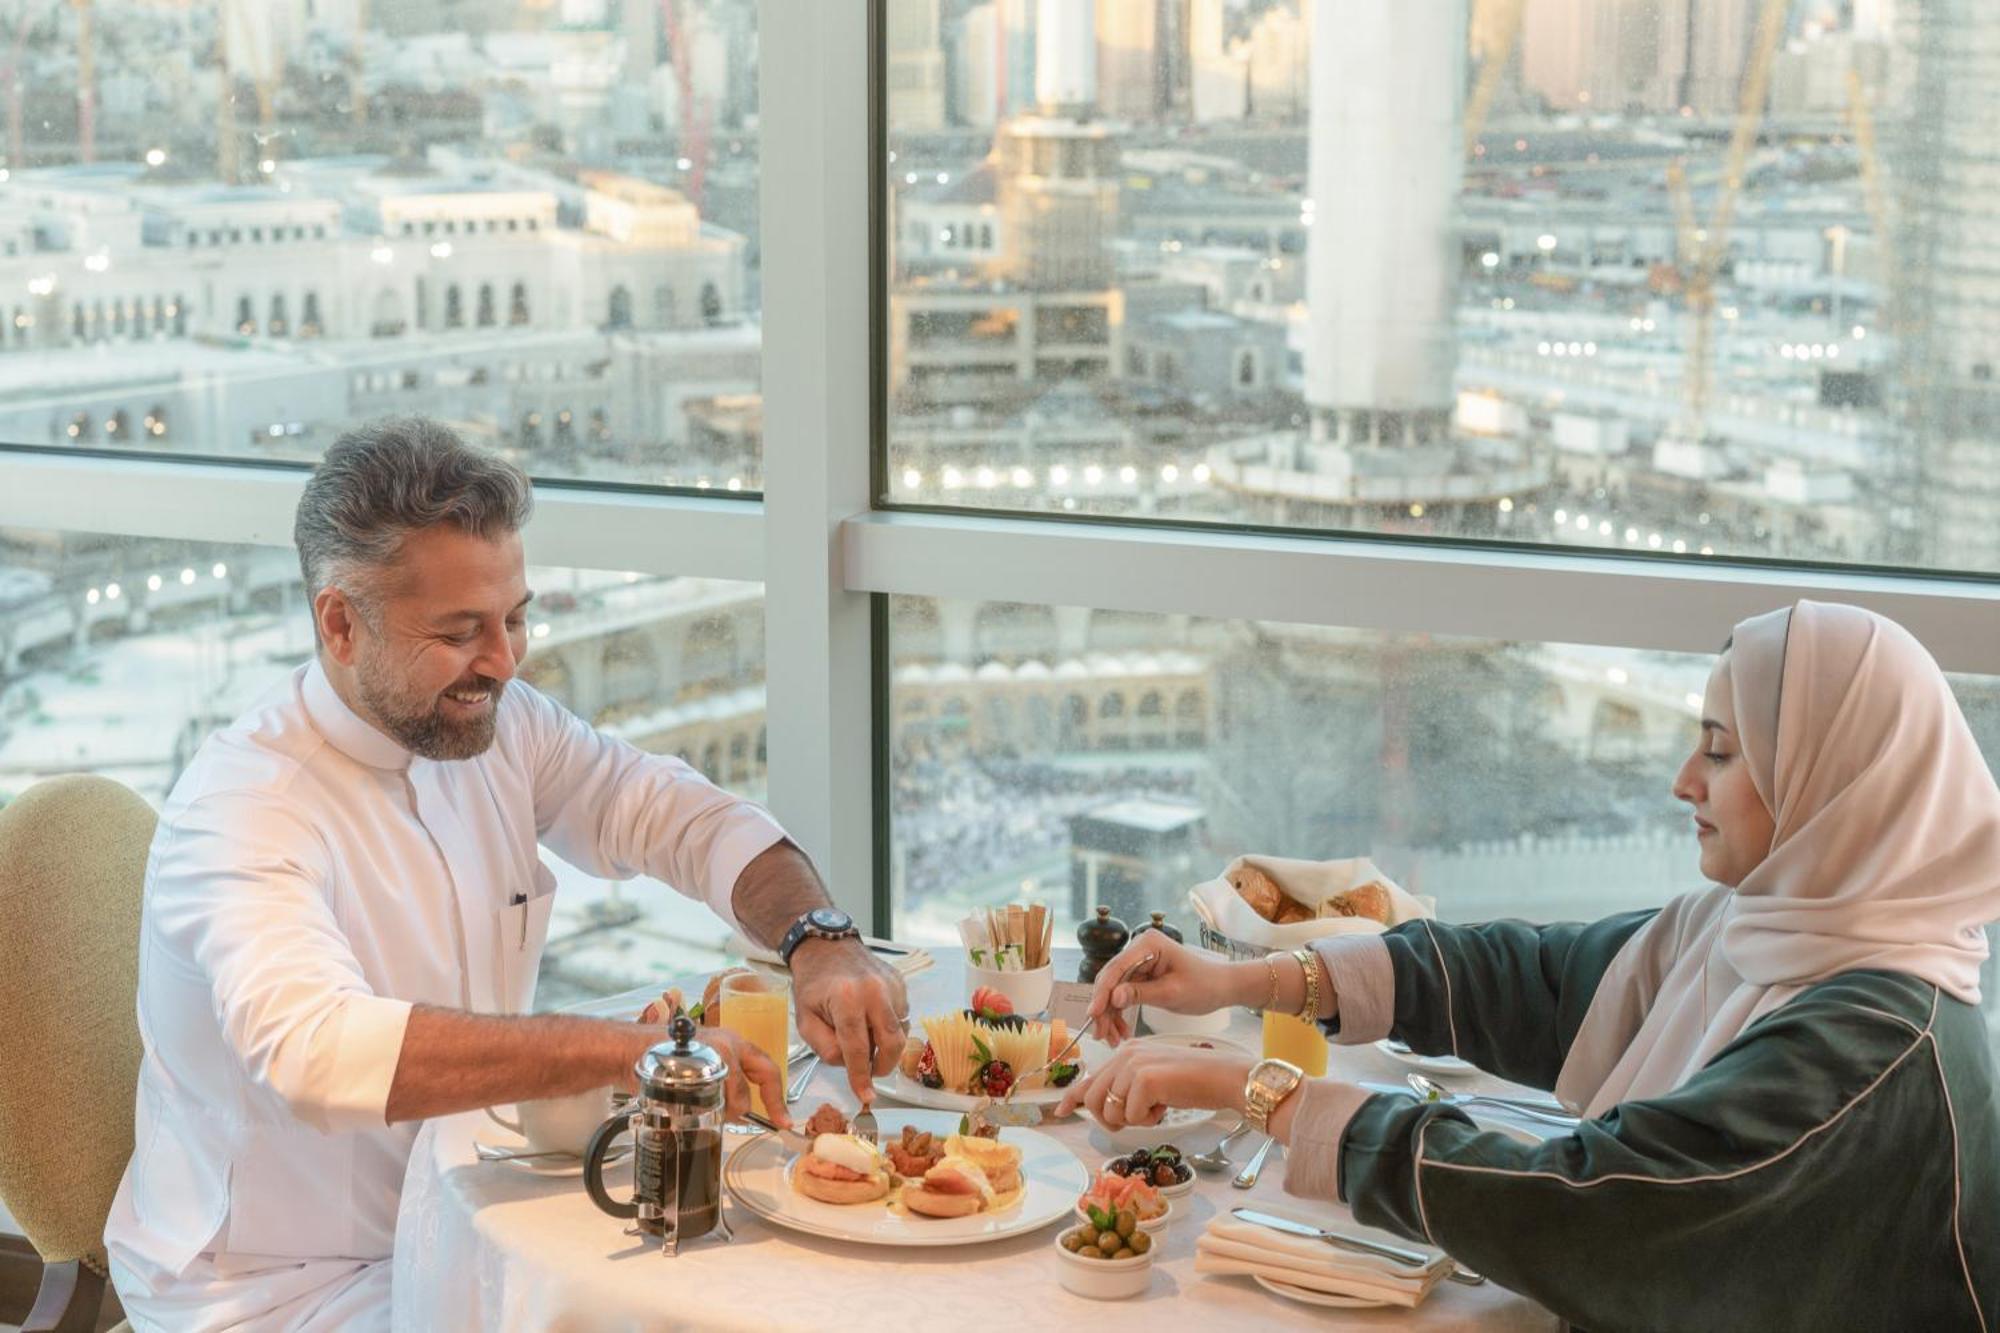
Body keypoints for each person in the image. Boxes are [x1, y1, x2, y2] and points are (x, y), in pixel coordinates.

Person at [105, 419, 907, 1330]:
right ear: (339, 622)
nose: (504, 658)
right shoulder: (245, 809)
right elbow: (317, 1053)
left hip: (462, 1217)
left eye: (516, 617)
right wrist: (636, 1055)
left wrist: (819, 939)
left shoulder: (500, 721)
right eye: (459, 631)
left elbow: (680, 815)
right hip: (281, 1288)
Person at [1059, 600, 1999, 1330]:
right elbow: (1540, 980)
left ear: (1831, 782)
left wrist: (1258, 1090)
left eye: (1720, 750)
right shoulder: (1768, 931)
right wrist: (1244, 979)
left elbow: (1594, 1203)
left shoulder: (1874, 1045)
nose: (1684, 780)